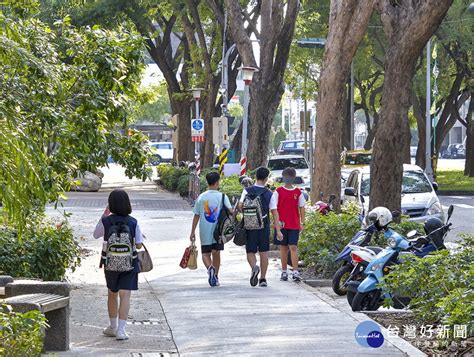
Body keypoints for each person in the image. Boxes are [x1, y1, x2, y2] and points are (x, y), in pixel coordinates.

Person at [93, 189, 143, 341]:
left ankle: (112, 327)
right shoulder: (133, 222)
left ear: (110, 204)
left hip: (110, 264)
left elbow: (96, 234)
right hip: (129, 264)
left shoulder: (106, 221)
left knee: (112, 294)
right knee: (125, 295)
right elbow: (139, 245)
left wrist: (104, 214)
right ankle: (121, 331)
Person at [238, 167, 283, 287]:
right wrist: (278, 231)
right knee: (264, 252)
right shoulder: (269, 193)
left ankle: (254, 267)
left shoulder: (247, 190)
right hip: (264, 226)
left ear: (256, 176)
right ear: (266, 178)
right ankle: (263, 279)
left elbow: (240, 205)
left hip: (250, 225)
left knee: (250, 251)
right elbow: (274, 213)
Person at [189, 171, 232, 287]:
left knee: (205, 254)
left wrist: (192, 232)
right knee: (216, 253)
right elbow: (231, 211)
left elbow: (196, 215)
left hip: (205, 231)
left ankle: (210, 268)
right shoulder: (222, 196)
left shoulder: (201, 197)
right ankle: (216, 276)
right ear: (217, 182)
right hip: (219, 231)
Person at [274, 167, 306, 282]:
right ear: (283, 177)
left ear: (293, 178)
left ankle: (295, 271)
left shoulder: (298, 192)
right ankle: (284, 271)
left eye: (289, 176)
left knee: (293, 246)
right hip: (282, 224)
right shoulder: (278, 191)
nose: (287, 179)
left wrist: (302, 222)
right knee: (283, 247)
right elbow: (274, 208)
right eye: (285, 176)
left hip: (294, 224)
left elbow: (302, 207)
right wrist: (276, 223)